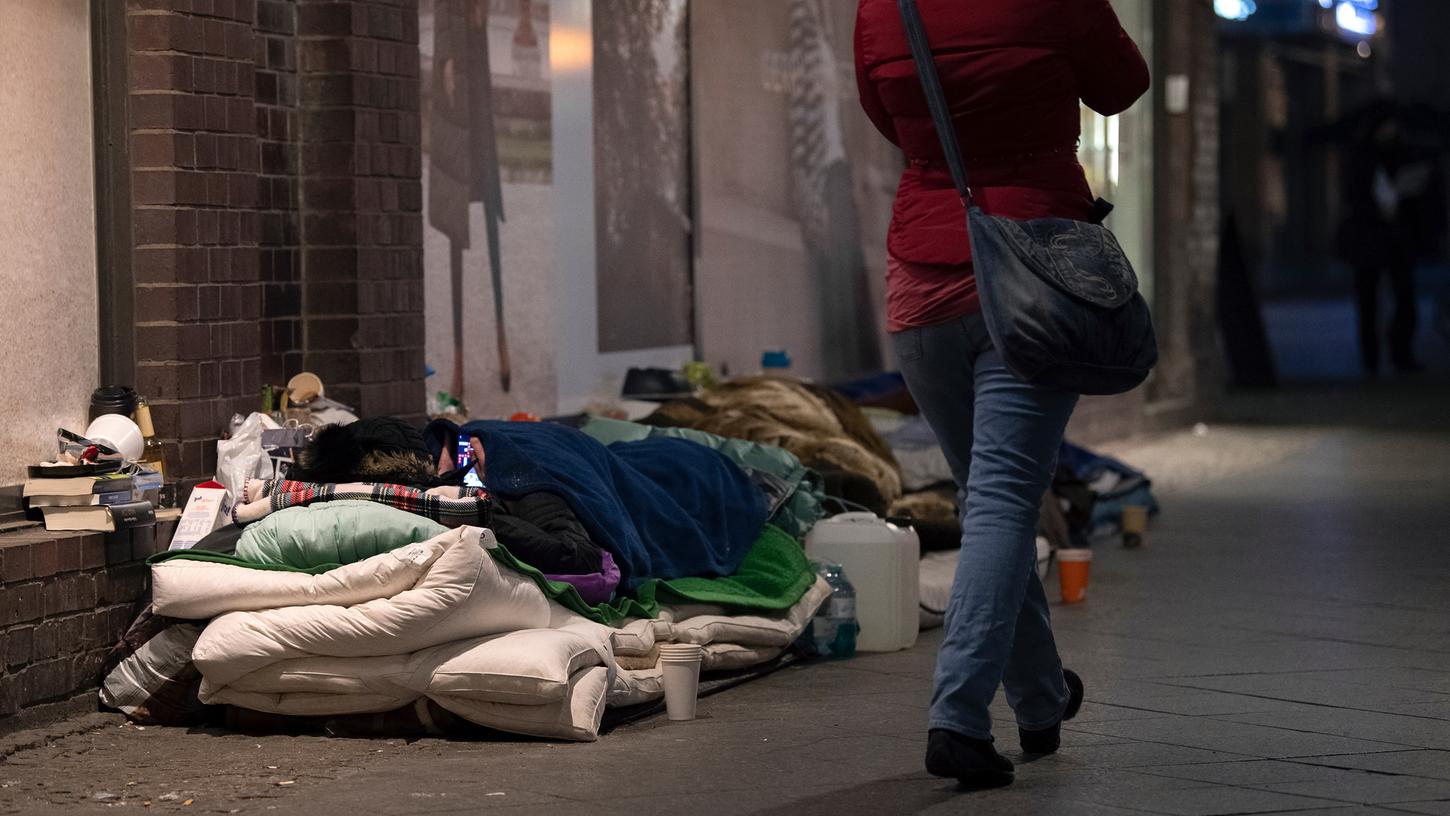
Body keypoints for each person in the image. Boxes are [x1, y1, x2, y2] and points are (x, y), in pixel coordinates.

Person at [854, 0, 1149, 788]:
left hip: (923, 278)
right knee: (1003, 502)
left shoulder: (887, 6)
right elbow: (1124, 84)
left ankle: (1042, 696)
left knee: (991, 500)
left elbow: (889, 114)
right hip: (1032, 271)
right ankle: (956, 716)